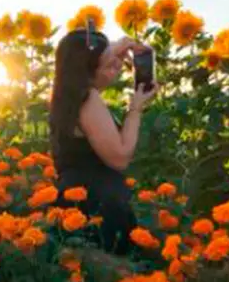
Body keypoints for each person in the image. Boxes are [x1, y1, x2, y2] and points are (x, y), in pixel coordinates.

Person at [49, 27, 158, 255]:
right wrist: (136, 108)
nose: (118, 67)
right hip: (99, 206)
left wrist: (113, 49)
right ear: (86, 73)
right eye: (109, 65)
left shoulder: (66, 96)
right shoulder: (88, 99)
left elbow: (90, 58)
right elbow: (120, 157)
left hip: (79, 201)